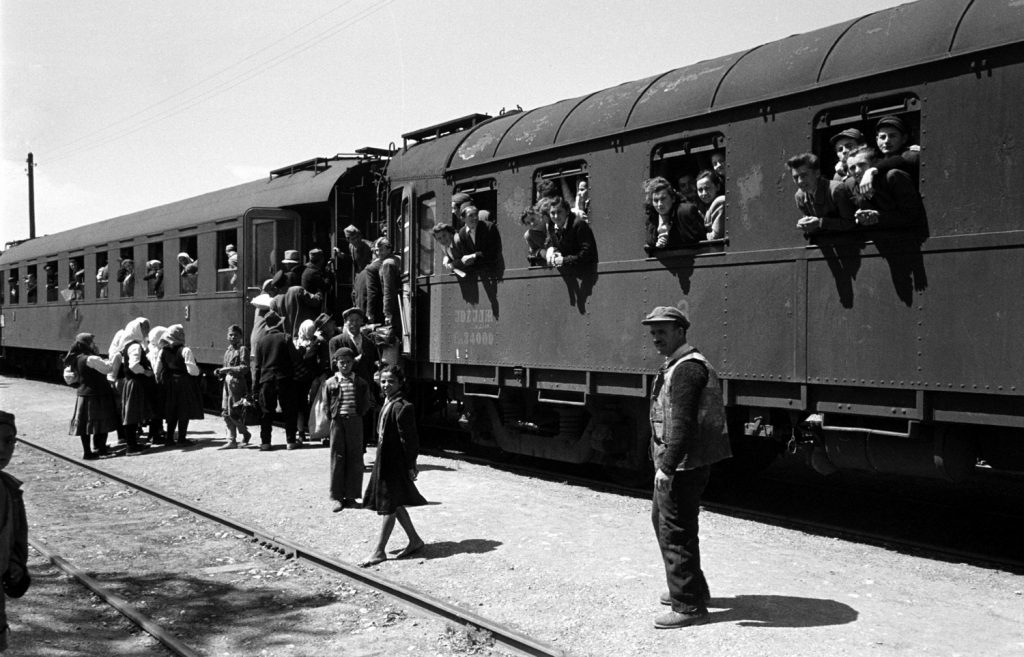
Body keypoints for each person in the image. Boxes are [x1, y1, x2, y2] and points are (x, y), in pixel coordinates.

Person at [642, 305, 731, 629]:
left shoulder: (687, 369)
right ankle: (693, 588)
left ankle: (688, 606)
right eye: (652, 332)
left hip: (682, 465)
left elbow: (680, 425)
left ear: (680, 331)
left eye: (662, 331)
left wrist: (665, 467)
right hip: (683, 462)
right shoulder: (680, 364)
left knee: (673, 529)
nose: (655, 338)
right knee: (668, 522)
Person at [359, 365, 427, 567]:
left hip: (395, 464)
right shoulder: (388, 402)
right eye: (383, 382)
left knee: (388, 506)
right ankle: (415, 540)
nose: (386, 385)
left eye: (391, 382)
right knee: (394, 503)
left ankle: (379, 551)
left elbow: (410, 441)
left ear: (400, 383)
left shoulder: (402, 407)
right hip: (384, 460)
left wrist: (410, 465)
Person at [324, 348, 373, 512]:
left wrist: (358, 414)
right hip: (337, 422)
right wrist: (333, 417)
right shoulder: (330, 382)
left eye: (348, 362)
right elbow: (326, 404)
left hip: (355, 421)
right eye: (341, 362)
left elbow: (367, 402)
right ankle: (337, 497)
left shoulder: (360, 382)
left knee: (355, 457)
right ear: (336, 363)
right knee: (337, 458)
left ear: (353, 363)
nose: (345, 365)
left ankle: (351, 497)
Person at [64, 333, 125, 458]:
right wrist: (115, 358)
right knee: (101, 422)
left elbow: (70, 378)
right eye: (92, 342)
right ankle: (100, 449)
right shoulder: (91, 359)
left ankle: (88, 451)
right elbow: (108, 369)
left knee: (84, 425)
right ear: (87, 344)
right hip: (97, 393)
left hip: (83, 394)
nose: (94, 345)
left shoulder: (76, 358)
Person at [0, 411, 30, 653]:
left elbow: (13, 537)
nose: (2, 449)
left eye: (8, 441)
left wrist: (15, 565)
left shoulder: (9, 489)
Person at [845, 145, 925, 229]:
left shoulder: (892, 177)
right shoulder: (850, 184)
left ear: (874, 163)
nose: (857, 171)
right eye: (852, 168)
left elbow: (912, 215)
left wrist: (879, 216)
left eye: (862, 164)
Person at [253, 310, 300, 451]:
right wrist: (302, 350)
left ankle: (265, 442)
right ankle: (290, 441)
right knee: (289, 410)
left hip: (266, 380)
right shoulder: (286, 337)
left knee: (267, 412)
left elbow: (257, 367)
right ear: (280, 323)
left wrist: (255, 388)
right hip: (284, 378)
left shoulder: (260, 342)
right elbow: (296, 358)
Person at [156, 325, 203, 446]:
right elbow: (192, 370)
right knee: (183, 410)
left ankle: (169, 439)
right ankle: (182, 438)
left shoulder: (163, 350)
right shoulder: (185, 350)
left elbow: (157, 369)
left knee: (171, 410)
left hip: (169, 383)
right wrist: (198, 372)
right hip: (183, 383)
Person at [787, 153, 857, 234]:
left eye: (804, 175)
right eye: (795, 177)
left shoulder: (836, 190)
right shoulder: (800, 196)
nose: (800, 181)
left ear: (817, 173)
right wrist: (805, 225)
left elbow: (851, 222)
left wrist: (820, 223)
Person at [857, 115, 921, 197]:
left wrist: (872, 170)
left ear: (904, 138)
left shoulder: (911, 154)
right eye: (882, 137)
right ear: (877, 140)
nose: (887, 141)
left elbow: (902, 159)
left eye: (892, 136)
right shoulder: (878, 161)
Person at [117, 317, 154, 451]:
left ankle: (132, 443)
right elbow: (133, 365)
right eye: (144, 328)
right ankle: (131, 446)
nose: (147, 331)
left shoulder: (131, 345)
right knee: (132, 414)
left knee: (132, 413)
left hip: (132, 382)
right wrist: (145, 372)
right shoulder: (134, 346)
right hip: (135, 383)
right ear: (137, 329)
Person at [215, 325, 252, 449]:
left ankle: (245, 434)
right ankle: (232, 440)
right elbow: (225, 367)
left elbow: (245, 368)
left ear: (240, 337)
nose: (233, 337)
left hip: (237, 383)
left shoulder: (243, 350)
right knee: (225, 411)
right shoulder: (228, 351)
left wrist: (229, 369)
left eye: (236, 335)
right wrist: (220, 372)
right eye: (230, 334)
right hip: (227, 382)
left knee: (234, 411)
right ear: (227, 336)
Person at [643, 177, 704, 252]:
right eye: (656, 200)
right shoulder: (652, 219)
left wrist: (667, 237)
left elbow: (694, 238)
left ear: (673, 198)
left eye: (663, 199)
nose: (660, 204)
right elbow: (650, 241)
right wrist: (660, 231)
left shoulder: (686, 211)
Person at [293, 319, 326, 442]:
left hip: (314, 379)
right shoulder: (296, 341)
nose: (311, 333)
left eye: (313, 330)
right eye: (309, 331)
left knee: (314, 405)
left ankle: (314, 430)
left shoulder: (318, 342)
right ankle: (301, 431)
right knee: (301, 406)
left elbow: (320, 360)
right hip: (300, 379)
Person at [541, 196, 597, 267]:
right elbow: (552, 244)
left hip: (586, 271)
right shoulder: (551, 226)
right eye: (552, 213)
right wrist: (554, 251)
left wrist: (564, 260)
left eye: (559, 212)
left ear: (567, 211)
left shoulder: (579, 225)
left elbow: (587, 253)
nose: (556, 216)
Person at [364, 238, 401, 328]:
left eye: (381, 250)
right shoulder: (396, 259)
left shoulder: (387, 264)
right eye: (377, 250)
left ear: (389, 249)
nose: (378, 253)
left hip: (394, 307)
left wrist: (387, 312)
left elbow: (388, 289)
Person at [452, 204, 500, 272]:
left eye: (476, 215)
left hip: (491, 270)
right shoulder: (462, 233)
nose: (475, 218)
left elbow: (493, 251)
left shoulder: (489, 227)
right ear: (463, 219)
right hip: (476, 273)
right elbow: (466, 253)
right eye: (471, 215)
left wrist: (475, 255)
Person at [695, 170, 725, 240]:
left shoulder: (719, 202)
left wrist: (696, 236)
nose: (704, 193)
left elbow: (715, 236)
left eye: (707, 188)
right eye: (700, 190)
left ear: (717, 187)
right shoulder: (703, 207)